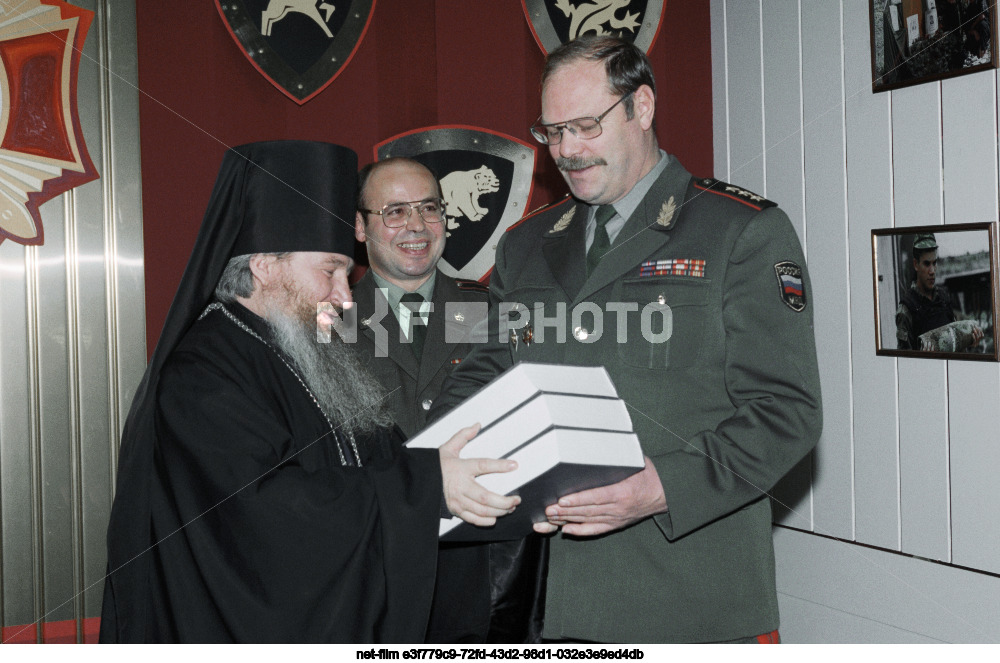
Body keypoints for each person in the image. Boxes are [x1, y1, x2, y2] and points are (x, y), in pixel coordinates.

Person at [431, 35, 823, 643]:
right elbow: (485, 366)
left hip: (687, 602)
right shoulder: (525, 244)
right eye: (552, 131)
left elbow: (786, 413)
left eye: (587, 126)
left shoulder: (737, 232)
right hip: (542, 605)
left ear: (642, 107)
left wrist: (661, 487)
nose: (567, 150)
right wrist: (441, 459)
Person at [99, 140, 518, 643]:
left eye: (346, 272)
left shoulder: (305, 351)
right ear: (265, 266)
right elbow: (265, 519)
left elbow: (385, 456)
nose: (345, 295)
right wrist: (427, 485)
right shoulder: (203, 374)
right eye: (330, 271)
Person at [353, 157, 545, 643]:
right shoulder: (323, 322)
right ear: (360, 226)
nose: (416, 226)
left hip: (482, 570)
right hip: (371, 567)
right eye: (394, 211)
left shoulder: (494, 313)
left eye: (429, 209)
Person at [895, 232, 982, 351]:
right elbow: (903, 360)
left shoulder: (943, 297)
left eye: (934, 263)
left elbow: (953, 342)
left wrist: (970, 342)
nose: (932, 271)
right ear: (916, 264)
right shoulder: (906, 309)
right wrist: (924, 358)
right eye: (926, 264)